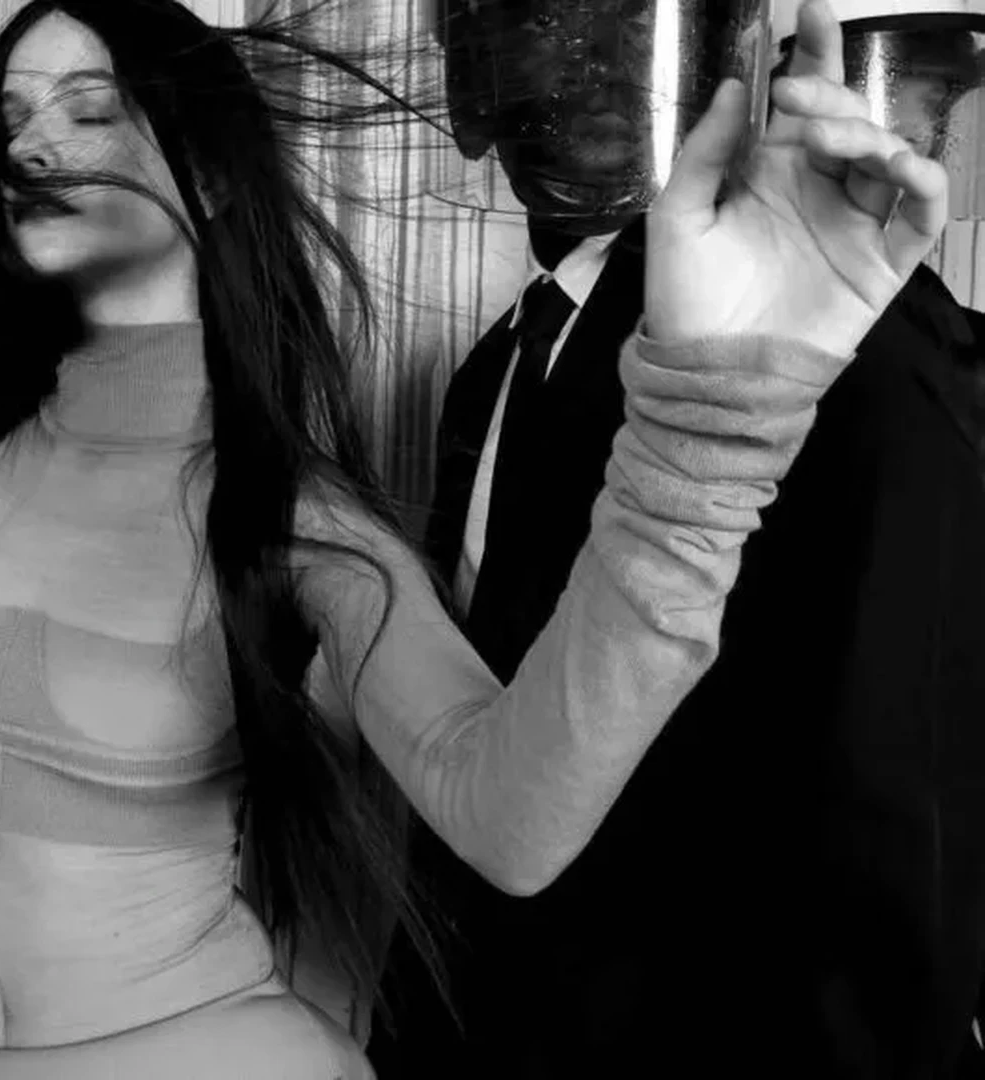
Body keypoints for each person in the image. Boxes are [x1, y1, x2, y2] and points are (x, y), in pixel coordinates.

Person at [0, 0, 949, 1075]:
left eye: (92, 108)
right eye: (12, 116)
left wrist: (713, 428)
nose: (35, 145)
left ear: (209, 172)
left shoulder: (295, 522)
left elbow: (511, 819)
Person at [368, 0, 985, 1076]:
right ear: (465, 87)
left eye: (639, 11)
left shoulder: (840, 351)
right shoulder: (487, 370)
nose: (598, 51)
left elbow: (899, 800)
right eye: (543, 13)